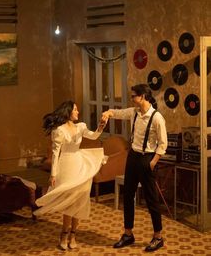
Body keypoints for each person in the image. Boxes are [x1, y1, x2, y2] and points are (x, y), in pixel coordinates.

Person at [102, 84, 167, 252]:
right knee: (128, 195)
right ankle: (128, 234)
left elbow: (163, 143)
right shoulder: (134, 113)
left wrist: (152, 162)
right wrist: (108, 112)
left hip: (147, 158)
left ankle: (158, 237)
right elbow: (119, 113)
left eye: (133, 96)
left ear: (142, 97)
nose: (131, 99)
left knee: (151, 199)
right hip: (133, 157)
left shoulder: (157, 118)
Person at [34, 100, 106, 250]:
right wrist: (53, 174)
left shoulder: (81, 126)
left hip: (80, 164)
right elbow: (55, 154)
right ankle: (64, 234)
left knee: (79, 200)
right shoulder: (59, 130)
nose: (78, 112)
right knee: (70, 201)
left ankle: (73, 234)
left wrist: (100, 127)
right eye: (75, 110)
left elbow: (93, 136)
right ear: (68, 112)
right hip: (66, 166)